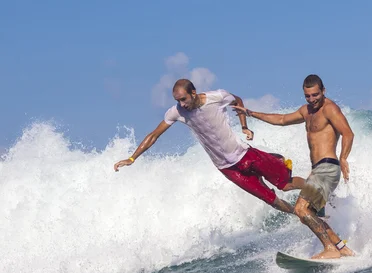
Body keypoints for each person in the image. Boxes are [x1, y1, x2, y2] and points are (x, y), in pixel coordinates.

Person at [114, 79, 304, 214]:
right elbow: (154, 135)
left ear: (193, 93)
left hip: (244, 154)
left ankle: (317, 191)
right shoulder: (176, 112)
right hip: (227, 167)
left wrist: (244, 126)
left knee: (285, 185)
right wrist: (132, 158)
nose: (181, 104)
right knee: (271, 200)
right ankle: (303, 217)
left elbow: (237, 101)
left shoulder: (217, 97)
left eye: (183, 99)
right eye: (177, 101)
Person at [232, 74, 355, 259]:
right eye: (308, 96)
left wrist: (343, 158)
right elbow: (281, 120)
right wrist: (250, 113)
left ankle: (330, 250)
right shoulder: (307, 111)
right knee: (311, 215)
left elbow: (348, 134)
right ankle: (341, 248)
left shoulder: (330, 109)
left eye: (315, 95)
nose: (312, 99)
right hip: (318, 170)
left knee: (300, 209)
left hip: (327, 167)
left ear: (323, 91)